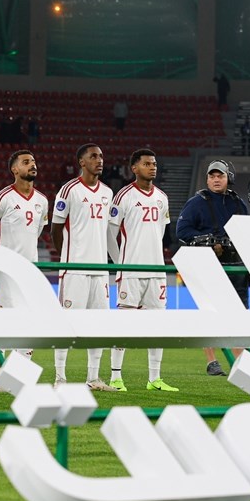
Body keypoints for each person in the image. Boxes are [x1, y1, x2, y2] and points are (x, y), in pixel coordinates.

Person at [107, 149, 178, 393]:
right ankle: (116, 377)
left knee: (158, 326)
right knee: (123, 325)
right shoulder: (124, 196)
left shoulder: (162, 197)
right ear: (134, 168)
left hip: (157, 270)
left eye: (155, 163)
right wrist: (120, 264)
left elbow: (162, 233)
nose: (153, 167)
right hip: (131, 271)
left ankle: (154, 379)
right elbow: (110, 234)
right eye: (147, 164)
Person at [50, 144, 115, 391]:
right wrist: (66, 258)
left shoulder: (108, 192)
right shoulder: (69, 190)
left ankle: (94, 378)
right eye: (93, 157)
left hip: (99, 271)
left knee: (99, 327)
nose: (99, 160)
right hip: (74, 270)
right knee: (66, 325)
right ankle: (60, 378)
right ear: (81, 162)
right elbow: (56, 228)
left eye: (101, 156)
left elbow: (108, 232)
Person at [175, 160, 250, 375]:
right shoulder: (196, 202)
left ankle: (240, 360)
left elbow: (246, 231)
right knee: (211, 313)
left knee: (239, 314)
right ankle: (212, 361)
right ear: (207, 179)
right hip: (209, 264)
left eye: (221, 176)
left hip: (236, 264)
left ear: (228, 179)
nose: (216, 180)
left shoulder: (238, 203)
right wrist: (207, 242)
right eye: (212, 176)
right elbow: (182, 231)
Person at [0, 149, 49, 389]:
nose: (32, 165)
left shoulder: (42, 200)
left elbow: (38, 232)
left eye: (33, 161)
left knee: (29, 327)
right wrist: (2, 257)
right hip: (6, 273)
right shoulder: (3, 198)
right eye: (26, 162)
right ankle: (0, 379)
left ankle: (19, 379)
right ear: (14, 169)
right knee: (4, 326)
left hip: (31, 272)